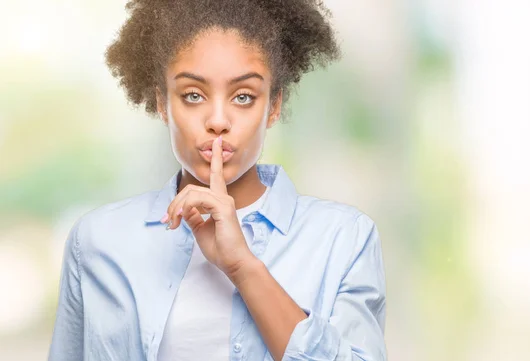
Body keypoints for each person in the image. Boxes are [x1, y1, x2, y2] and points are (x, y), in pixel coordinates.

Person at [48, 0, 387, 360]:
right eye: (193, 95)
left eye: (244, 97)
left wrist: (242, 266)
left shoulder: (344, 239)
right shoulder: (98, 241)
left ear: (273, 106)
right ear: (163, 102)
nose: (218, 120)